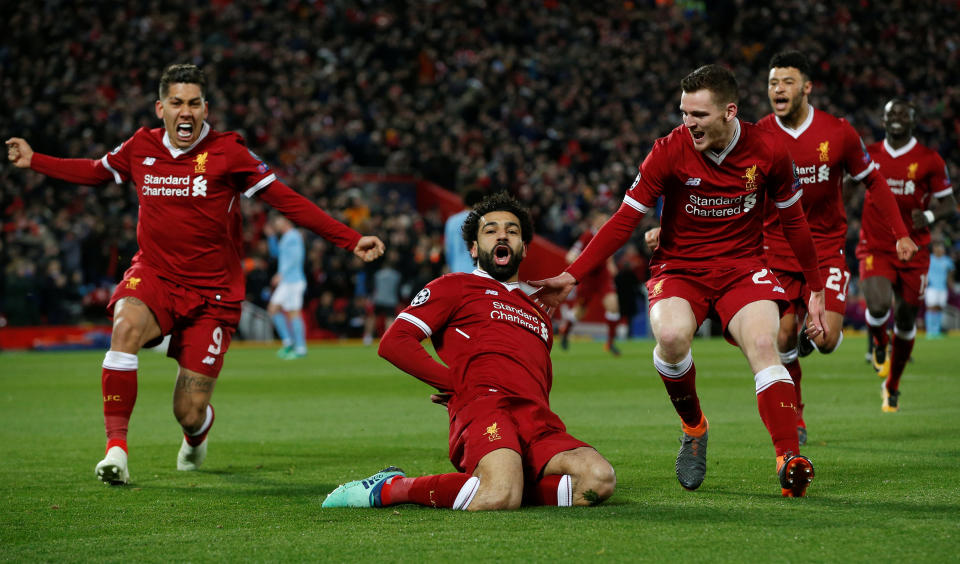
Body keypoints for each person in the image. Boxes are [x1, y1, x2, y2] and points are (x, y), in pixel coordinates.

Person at [5, 64, 385, 486]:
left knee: (187, 410)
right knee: (124, 326)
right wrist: (34, 160)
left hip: (212, 294)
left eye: (193, 103)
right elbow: (96, 172)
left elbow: (287, 201)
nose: (185, 112)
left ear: (206, 108)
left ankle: (197, 431)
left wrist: (350, 239)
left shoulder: (229, 154)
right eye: (176, 103)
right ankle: (116, 449)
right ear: (160, 107)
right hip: (155, 275)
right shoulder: (140, 147)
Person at [532, 64, 826, 497]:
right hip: (680, 269)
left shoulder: (768, 150)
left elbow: (795, 222)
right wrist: (572, 275)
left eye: (699, 115)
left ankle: (788, 459)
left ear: (730, 112)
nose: (689, 123)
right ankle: (694, 427)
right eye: (685, 113)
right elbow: (623, 221)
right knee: (670, 338)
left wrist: (815, 287)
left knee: (766, 346)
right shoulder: (668, 150)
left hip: (743, 268)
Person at [322, 192, 616, 510]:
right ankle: (393, 488)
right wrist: (455, 384)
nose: (502, 234)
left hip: (536, 418)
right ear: (474, 248)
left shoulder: (539, 312)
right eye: (490, 230)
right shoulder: (454, 286)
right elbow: (396, 342)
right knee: (499, 495)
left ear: (524, 248)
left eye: (512, 230)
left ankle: (505, 482)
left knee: (598, 480)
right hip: (486, 409)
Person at [758, 51, 918, 441]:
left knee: (826, 341)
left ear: (807, 88)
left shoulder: (839, 132)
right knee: (781, 338)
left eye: (787, 82)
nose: (778, 89)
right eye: (773, 83)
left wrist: (900, 232)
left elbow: (875, 182)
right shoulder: (757, 134)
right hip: (777, 251)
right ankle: (796, 415)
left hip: (826, 248)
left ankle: (810, 339)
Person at [852, 98, 956, 411]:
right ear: (882, 120)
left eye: (903, 113)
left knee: (908, 317)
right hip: (876, 245)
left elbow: (948, 203)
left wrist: (931, 217)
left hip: (915, 249)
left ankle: (892, 384)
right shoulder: (869, 152)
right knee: (879, 303)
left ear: (913, 120)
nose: (896, 117)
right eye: (890, 113)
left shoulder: (929, 159)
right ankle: (880, 341)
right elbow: (845, 181)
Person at [557, 209, 622, 355]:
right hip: (588, 279)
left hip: (602, 277)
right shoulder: (587, 236)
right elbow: (570, 256)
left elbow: (607, 252)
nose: (606, 222)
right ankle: (565, 332)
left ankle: (610, 343)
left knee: (613, 305)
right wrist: (584, 265)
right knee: (580, 312)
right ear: (595, 221)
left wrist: (611, 265)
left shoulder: (607, 234)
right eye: (603, 219)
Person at [265, 215, 308, 359]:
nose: (276, 226)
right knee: (273, 309)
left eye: (278, 222)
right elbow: (276, 254)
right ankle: (288, 342)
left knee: (294, 313)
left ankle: (300, 347)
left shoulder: (294, 236)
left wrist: (281, 274)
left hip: (294, 281)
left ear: (286, 222)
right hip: (287, 281)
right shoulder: (285, 238)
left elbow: (296, 258)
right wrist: (271, 238)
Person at [444, 189, 484, 274]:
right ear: (481, 202)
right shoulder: (483, 220)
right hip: (480, 272)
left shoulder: (452, 221)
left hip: (457, 270)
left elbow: (448, 250)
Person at [925, 241, 955, 339]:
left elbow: (951, 272)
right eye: (938, 248)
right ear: (934, 249)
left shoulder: (947, 261)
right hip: (931, 287)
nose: (940, 250)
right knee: (931, 307)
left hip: (942, 288)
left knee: (940, 308)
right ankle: (930, 331)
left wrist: (950, 283)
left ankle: (937, 331)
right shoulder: (929, 259)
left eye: (941, 248)